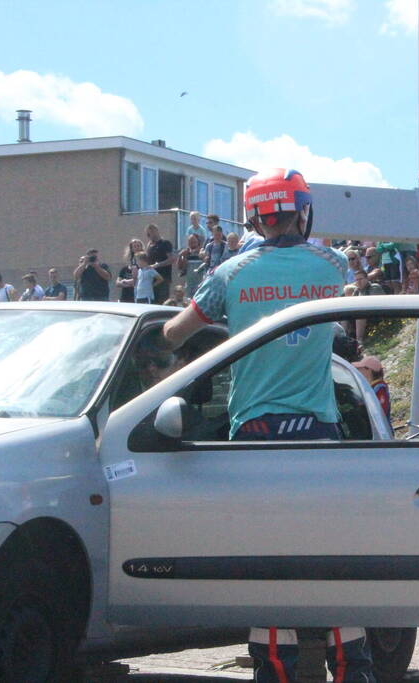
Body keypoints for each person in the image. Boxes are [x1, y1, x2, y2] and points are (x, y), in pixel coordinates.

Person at [160, 168, 373, 683]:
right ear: (303, 211)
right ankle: (352, 672)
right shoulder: (332, 263)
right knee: (331, 560)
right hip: (318, 434)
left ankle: (273, 674)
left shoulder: (229, 274)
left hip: (253, 437)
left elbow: (172, 334)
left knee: (265, 564)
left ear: (254, 216)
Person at [353, 355, 390, 421]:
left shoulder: (380, 388)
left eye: (360, 368)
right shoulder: (371, 386)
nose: (358, 370)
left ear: (368, 370)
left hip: (381, 429)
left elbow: (380, 412)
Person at [144, 223, 174, 304]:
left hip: (163, 277)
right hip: (151, 278)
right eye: (149, 233)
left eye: (153, 231)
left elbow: (171, 259)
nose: (151, 235)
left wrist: (157, 265)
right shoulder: (150, 245)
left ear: (157, 231)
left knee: (162, 301)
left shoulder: (165, 243)